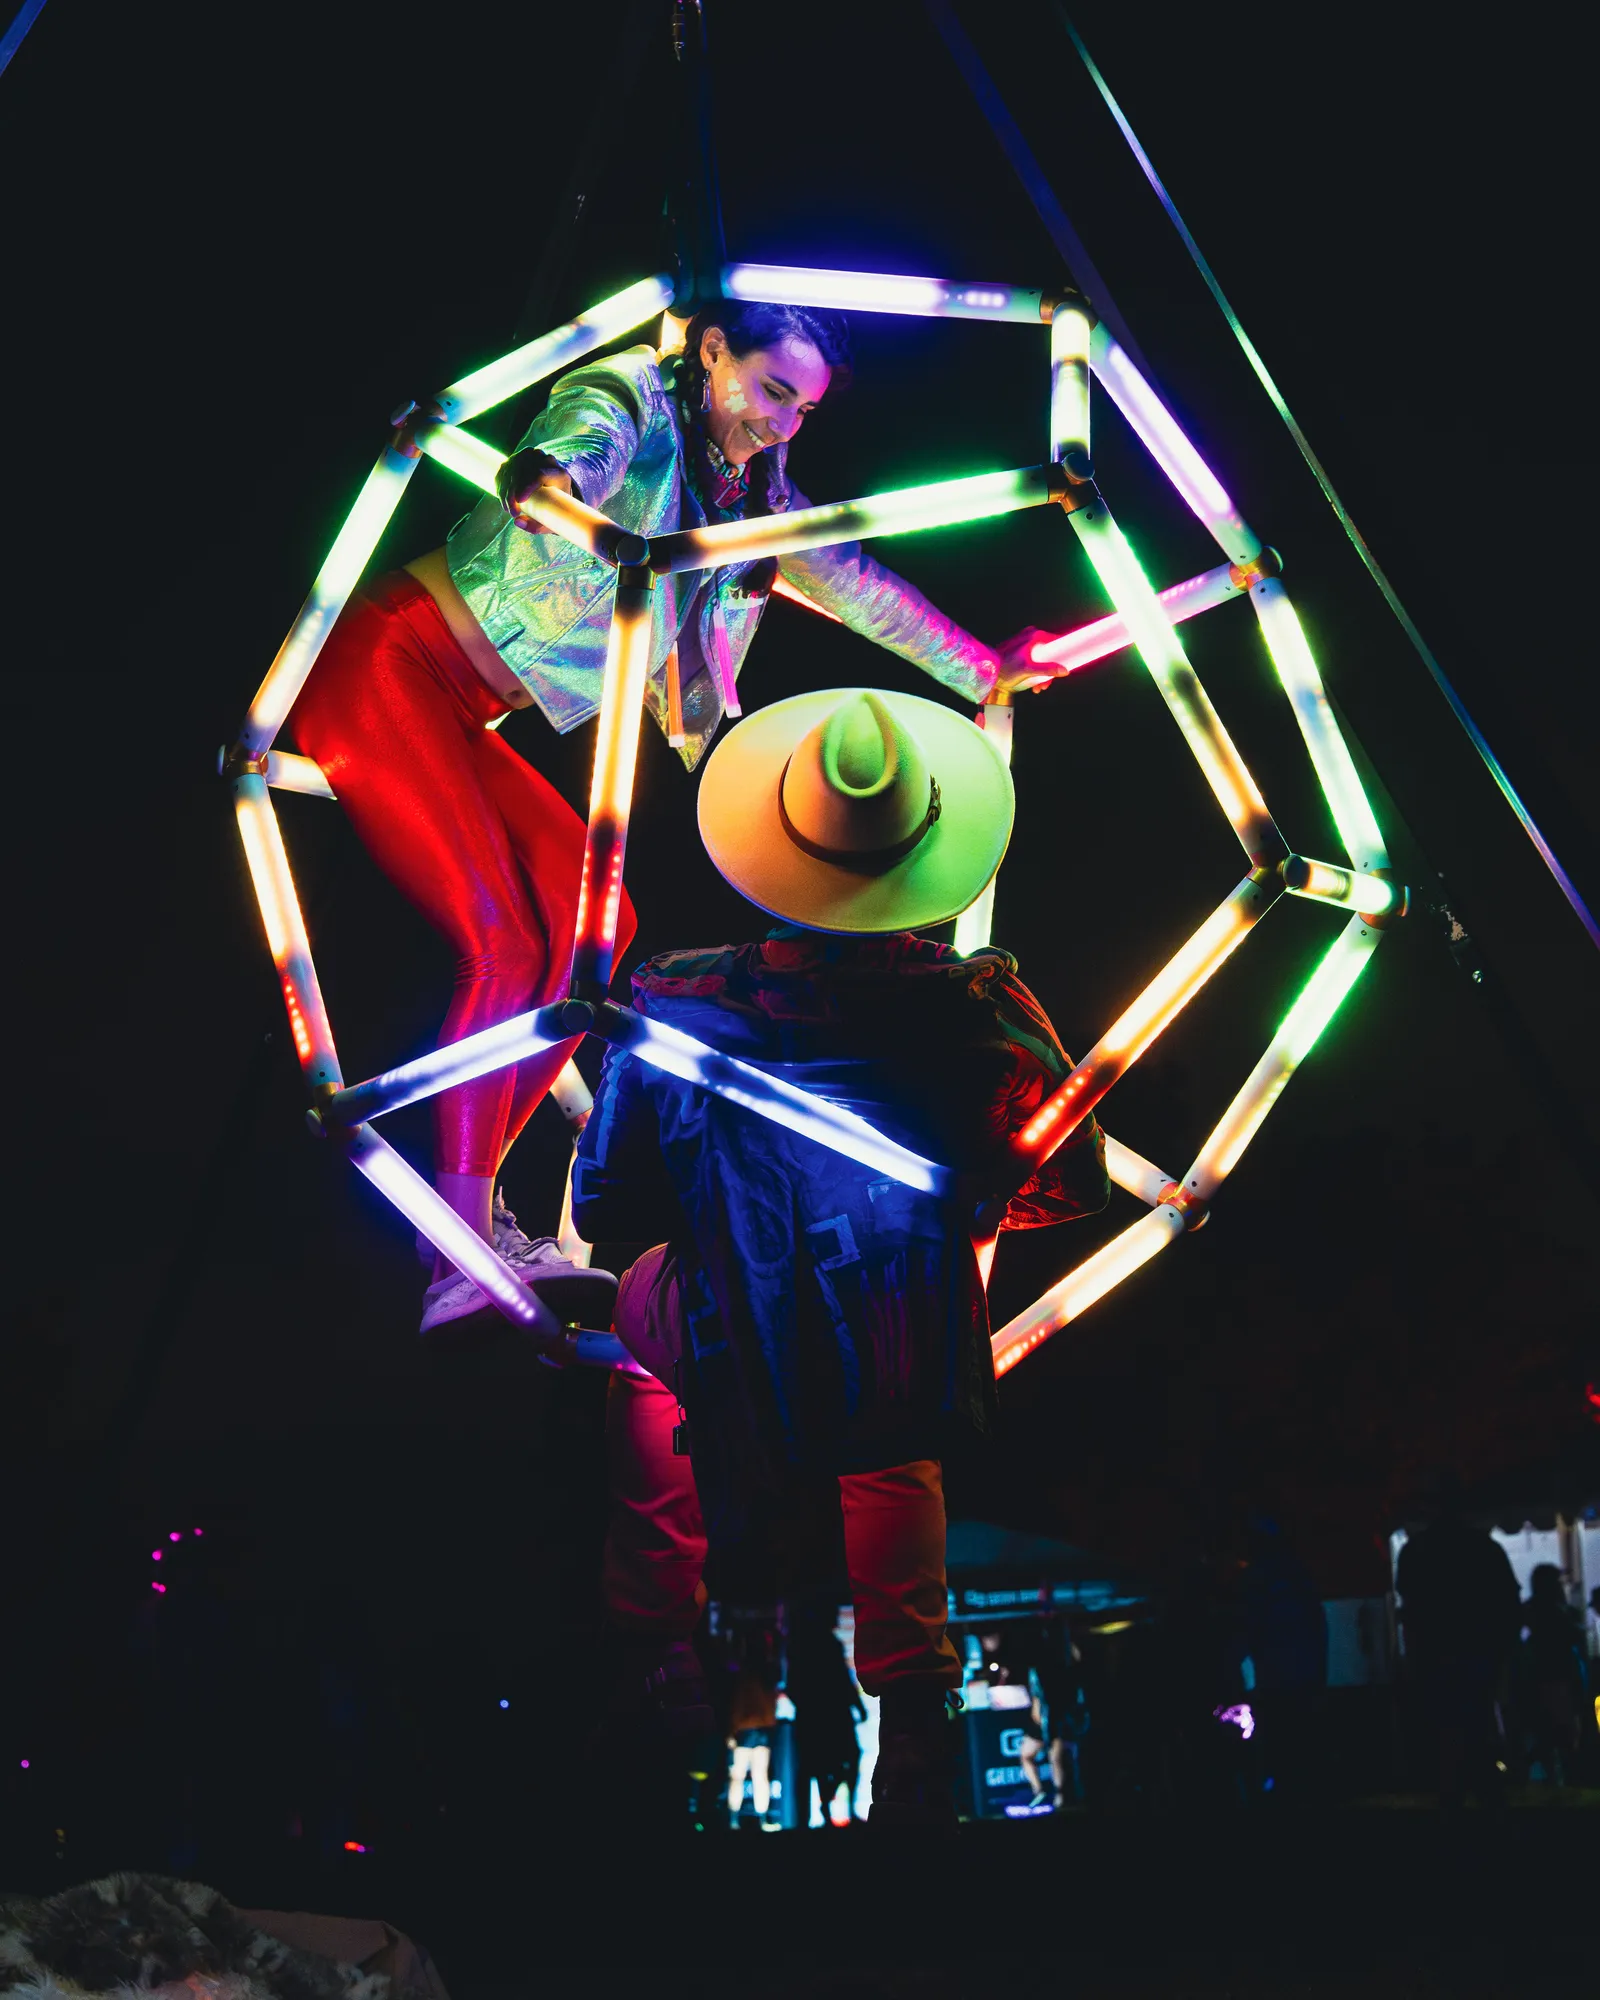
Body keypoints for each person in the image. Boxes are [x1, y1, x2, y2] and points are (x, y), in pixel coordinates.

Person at [285, 301, 1051, 1339]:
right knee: (506, 938)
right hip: (387, 664)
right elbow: (580, 441)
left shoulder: (754, 494)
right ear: (710, 351)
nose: (783, 424)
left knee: (597, 925)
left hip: (466, 711)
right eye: (772, 391)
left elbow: (853, 580)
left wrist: (985, 666)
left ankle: (467, 1217)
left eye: (805, 409)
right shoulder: (636, 400)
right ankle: (454, 1243)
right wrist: (549, 486)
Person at [572, 685, 1110, 1828]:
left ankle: (659, 1642)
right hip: (902, 1342)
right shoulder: (978, 1002)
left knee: (627, 1327)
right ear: (918, 847)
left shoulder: (679, 997)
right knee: (891, 1427)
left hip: (733, 1326)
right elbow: (1066, 1179)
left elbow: (608, 1193)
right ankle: (912, 1713)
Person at [1394, 1474, 1520, 1807]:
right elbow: (1508, 1607)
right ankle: (1489, 1809)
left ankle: (1452, 1812)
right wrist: (1503, 1658)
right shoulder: (1485, 1549)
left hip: (1436, 1659)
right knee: (1479, 1733)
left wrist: (1414, 1658)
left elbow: (1410, 1610)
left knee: (1445, 1738)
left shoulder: (1415, 1551)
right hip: (1478, 1658)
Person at [1517, 1563, 1586, 1787]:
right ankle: (1568, 1778)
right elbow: (1577, 1636)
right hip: (1560, 1675)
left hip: (1539, 1675)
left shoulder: (1531, 1609)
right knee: (1565, 1732)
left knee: (1545, 1731)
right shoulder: (1562, 1611)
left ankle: (1550, 1776)